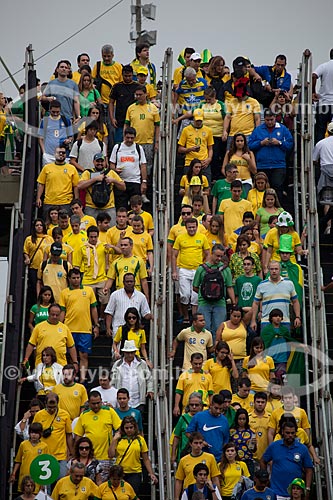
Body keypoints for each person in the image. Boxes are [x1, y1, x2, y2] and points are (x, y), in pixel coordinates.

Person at [74, 391, 122, 482]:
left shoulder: (109, 411)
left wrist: (114, 444)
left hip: (106, 457)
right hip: (89, 458)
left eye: (98, 403)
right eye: (93, 404)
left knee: (103, 485)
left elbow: (120, 429)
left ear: (101, 401)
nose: (96, 406)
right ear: (89, 403)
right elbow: (78, 436)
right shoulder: (84, 415)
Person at [247, 109, 293, 202]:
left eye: (271, 120)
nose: (270, 122)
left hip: (278, 165)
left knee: (277, 188)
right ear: (265, 120)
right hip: (262, 165)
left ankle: (277, 210)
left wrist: (279, 143)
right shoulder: (258, 130)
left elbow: (290, 145)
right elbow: (250, 145)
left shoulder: (283, 129)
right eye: (267, 120)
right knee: (262, 189)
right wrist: (261, 143)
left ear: (275, 118)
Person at [192, 244, 235, 339]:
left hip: (220, 303)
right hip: (204, 303)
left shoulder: (226, 270)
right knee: (204, 329)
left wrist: (233, 303)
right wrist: (204, 294)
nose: (219, 258)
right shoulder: (201, 269)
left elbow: (229, 287)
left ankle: (216, 352)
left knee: (219, 330)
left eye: (221, 256)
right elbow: (194, 287)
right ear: (211, 254)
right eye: (217, 256)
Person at [261, 421, 313, 499]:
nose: (290, 435)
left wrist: (307, 489)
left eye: (292, 433)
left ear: (296, 433)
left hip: (295, 495)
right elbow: (263, 461)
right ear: (282, 432)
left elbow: (309, 469)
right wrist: (265, 478)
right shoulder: (274, 446)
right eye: (287, 433)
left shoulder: (303, 448)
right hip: (276, 493)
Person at [172, 218, 210, 323]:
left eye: (194, 227)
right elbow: (174, 255)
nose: (192, 229)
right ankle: (185, 316)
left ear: (197, 227)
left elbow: (207, 253)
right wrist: (174, 271)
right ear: (186, 227)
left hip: (198, 270)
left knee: (195, 297)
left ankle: (194, 319)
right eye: (190, 227)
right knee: (184, 295)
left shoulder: (202, 237)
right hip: (184, 269)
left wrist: (205, 268)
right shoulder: (180, 238)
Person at [109, 416, 158, 494]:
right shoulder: (119, 439)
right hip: (120, 472)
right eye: (126, 428)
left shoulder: (140, 439)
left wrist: (151, 473)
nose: (129, 430)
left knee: (133, 495)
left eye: (131, 427)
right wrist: (114, 439)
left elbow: (145, 459)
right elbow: (111, 455)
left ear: (135, 427)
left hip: (135, 472)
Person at [22, 303, 78, 368]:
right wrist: (26, 359)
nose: (55, 317)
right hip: (42, 364)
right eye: (53, 314)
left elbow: (71, 346)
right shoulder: (39, 327)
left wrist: (75, 362)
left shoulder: (65, 328)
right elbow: (31, 344)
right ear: (48, 313)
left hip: (60, 365)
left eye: (57, 315)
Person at [251, 261, 301, 331]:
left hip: (284, 322)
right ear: (268, 270)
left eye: (276, 269)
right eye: (271, 269)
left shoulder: (289, 283)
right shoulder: (262, 285)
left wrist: (298, 317)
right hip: (266, 322)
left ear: (280, 270)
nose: (274, 271)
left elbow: (295, 301)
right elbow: (255, 303)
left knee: (284, 342)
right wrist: (253, 320)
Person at [33, 392, 73, 480]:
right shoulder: (39, 415)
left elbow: (69, 435)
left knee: (62, 480)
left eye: (54, 407)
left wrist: (72, 453)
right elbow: (34, 433)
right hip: (44, 455)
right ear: (45, 404)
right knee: (46, 484)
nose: (51, 409)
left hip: (60, 456)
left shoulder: (65, 415)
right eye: (49, 407)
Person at [78, 152, 125, 223]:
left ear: (105, 162)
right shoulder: (88, 172)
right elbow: (79, 186)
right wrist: (95, 179)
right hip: (91, 208)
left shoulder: (111, 172)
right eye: (97, 161)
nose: (100, 163)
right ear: (93, 162)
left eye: (102, 161)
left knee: (111, 230)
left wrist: (113, 180)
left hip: (109, 208)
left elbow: (123, 187)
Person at [111, 340, 154, 417]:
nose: (130, 355)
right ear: (124, 353)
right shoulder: (117, 364)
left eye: (132, 352)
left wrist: (150, 389)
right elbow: (112, 381)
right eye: (128, 353)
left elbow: (149, 378)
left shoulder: (142, 363)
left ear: (134, 352)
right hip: (121, 401)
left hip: (138, 401)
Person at [124, 85, 160, 176]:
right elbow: (126, 124)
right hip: (133, 142)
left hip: (148, 142)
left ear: (146, 94)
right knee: (133, 164)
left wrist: (156, 142)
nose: (138, 97)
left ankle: (146, 184)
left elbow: (157, 126)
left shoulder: (153, 108)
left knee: (147, 165)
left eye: (140, 94)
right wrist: (125, 139)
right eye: (136, 95)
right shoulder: (131, 108)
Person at [109, 126, 148, 209]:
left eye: (132, 138)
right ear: (124, 136)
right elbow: (112, 164)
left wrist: (144, 182)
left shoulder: (138, 148)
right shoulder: (117, 147)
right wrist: (115, 170)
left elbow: (143, 166)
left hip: (135, 182)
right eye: (128, 138)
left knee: (135, 208)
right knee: (121, 207)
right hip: (120, 182)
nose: (130, 140)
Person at [174, 432, 221, 500]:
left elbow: (215, 478)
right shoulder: (183, 460)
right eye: (196, 443)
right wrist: (176, 498)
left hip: (206, 493)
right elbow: (179, 480)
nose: (198, 445)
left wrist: (217, 493)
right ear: (190, 444)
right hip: (189, 493)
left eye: (200, 443)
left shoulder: (210, 457)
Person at [36, 144, 79, 215]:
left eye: (63, 153)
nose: (61, 154)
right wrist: (38, 198)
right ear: (54, 154)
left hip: (66, 203)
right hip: (49, 202)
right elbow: (41, 184)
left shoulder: (72, 168)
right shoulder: (47, 168)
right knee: (48, 225)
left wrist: (76, 200)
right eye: (59, 152)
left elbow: (76, 186)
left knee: (65, 224)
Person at [104, 272, 152, 337]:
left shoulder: (141, 296)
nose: (129, 283)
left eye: (131, 281)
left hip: (135, 330)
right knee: (117, 347)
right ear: (123, 282)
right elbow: (109, 312)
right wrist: (108, 328)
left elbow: (145, 313)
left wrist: (152, 316)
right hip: (118, 329)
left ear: (134, 282)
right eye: (127, 281)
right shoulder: (115, 295)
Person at [186, 394, 230, 463]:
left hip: (218, 459)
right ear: (211, 405)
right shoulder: (199, 416)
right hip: (200, 457)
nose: (218, 411)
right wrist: (200, 442)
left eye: (220, 409)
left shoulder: (224, 420)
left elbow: (226, 440)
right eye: (216, 408)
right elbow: (188, 433)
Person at [103, 237, 149, 301]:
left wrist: (146, 295)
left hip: (135, 293)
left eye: (125, 245)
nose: (123, 247)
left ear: (131, 246)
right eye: (121, 245)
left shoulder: (139, 261)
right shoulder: (116, 262)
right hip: (120, 293)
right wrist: (106, 288)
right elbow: (110, 279)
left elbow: (143, 280)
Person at [216, 307, 250, 389]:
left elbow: (251, 310)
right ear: (230, 313)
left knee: (238, 382)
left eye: (238, 316)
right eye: (234, 316)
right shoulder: (223, 325)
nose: (236, 318)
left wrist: (240, 308)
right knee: (226, 381)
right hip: (226, 358)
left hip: (241, 359)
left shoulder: (243, 323)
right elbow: (217, 341)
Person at [9, 423, 48, 494]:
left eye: (36, 433)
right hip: (24, 476)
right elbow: (18, 461)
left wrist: (43, 482)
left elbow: (46, 465)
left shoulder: (44, 446)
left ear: (40, 434)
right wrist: (13, 474)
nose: (34, 435)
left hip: (37, 478)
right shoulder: (23, 444)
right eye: (32, 432)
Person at [177, 108, 214, 182]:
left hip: (203, 162)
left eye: (200, 120)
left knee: (206, 185)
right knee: (188, 185)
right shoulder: (186, 130)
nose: (199, 122)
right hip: (190, 162)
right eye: (197, 120)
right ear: (193, 118)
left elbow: (210, 148)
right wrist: (191, 149)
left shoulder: (208, 130)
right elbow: (180, 149)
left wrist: (209, 159)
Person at [23, 219, 54, 306]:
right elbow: (25, 251)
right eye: (37, 225)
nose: (39, 227)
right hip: (34, 267)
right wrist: (27, 258)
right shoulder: (29, 239)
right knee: (34, 288)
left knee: (46, 287)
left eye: (40, 225)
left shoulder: (49, 239)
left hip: (45, 268)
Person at [109, 65, 140, 144]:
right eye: (125, 76)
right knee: (119, 143)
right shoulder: (117, 87)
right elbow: (111, 102)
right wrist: (112, 118)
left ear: (132, 75)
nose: (127, 78)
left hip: (134, 120)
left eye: (129, 76)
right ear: (122, 75)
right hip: (120, 120)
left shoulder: (137, 86)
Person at [171, 392, 204, 464]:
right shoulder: (183, 418)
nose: (194, 407)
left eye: (196, 405)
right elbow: (176, 437)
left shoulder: (205, 418)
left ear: (201, 406)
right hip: (185, 453)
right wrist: (173, 455)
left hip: (202, 454)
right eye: (191, 405)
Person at [38, 100, 73, 165]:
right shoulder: (45, 121)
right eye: (53, 112)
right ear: (49, 110)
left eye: (57, 112)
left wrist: (68, 140)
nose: (55, 114)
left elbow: (70, 136)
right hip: (49, 155)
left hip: (63, 155)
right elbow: (40, 138)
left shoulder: (66, 120)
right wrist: (44, 153)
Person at [312, 48, 333, 143]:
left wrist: (313, 92)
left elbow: (314, 76)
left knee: (320, 130)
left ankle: (318, 153)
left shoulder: (324, 66)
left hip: (323, 104)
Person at [230, 408, 257, 478]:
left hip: (248, 461)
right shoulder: (232, 431)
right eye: (240, 419)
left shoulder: (251, 432)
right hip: (234, 461)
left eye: (244, 419)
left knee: (249, 483)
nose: (242, 421)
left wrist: (255, 444)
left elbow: (253, 450)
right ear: (236, 419)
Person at [248, 392, 271, 464]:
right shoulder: (248, 417)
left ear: (266, 403)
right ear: (254, 402)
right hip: (252, 457)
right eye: (258, 402)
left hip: (267, 457)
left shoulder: (271, 418)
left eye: (262, 402)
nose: (260, 404)